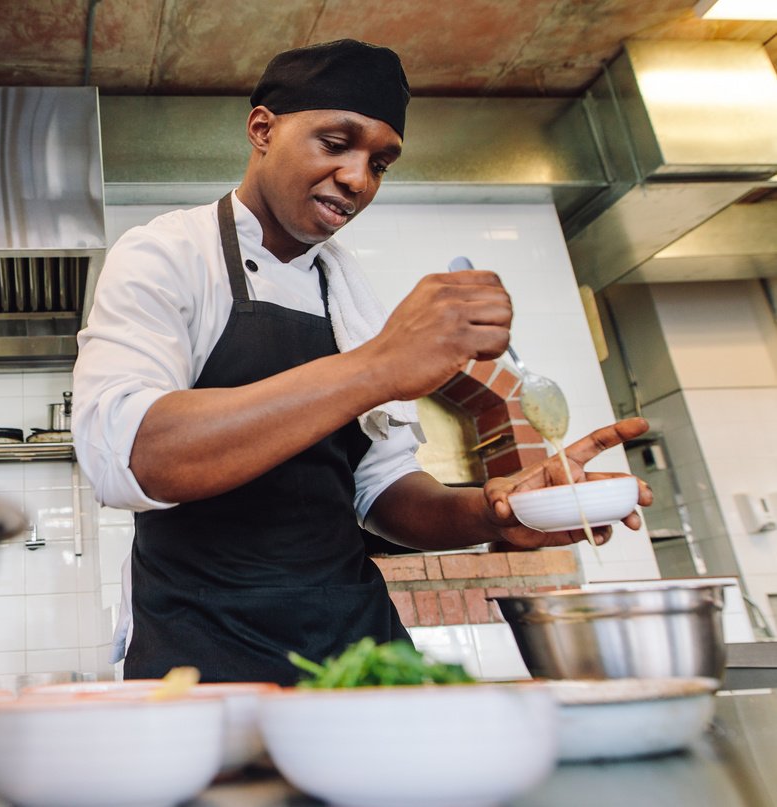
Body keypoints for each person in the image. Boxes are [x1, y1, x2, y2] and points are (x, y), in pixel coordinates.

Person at [70, 39, 653, 686]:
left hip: (356, 648)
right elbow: (129, 455)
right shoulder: (166, 254)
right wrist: (379, 364)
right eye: (334, 142)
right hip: (203, 656)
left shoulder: (346, 294)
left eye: (380, 161)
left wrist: (496, 512)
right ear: (262, 129)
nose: (358, 179)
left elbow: (382, 492)